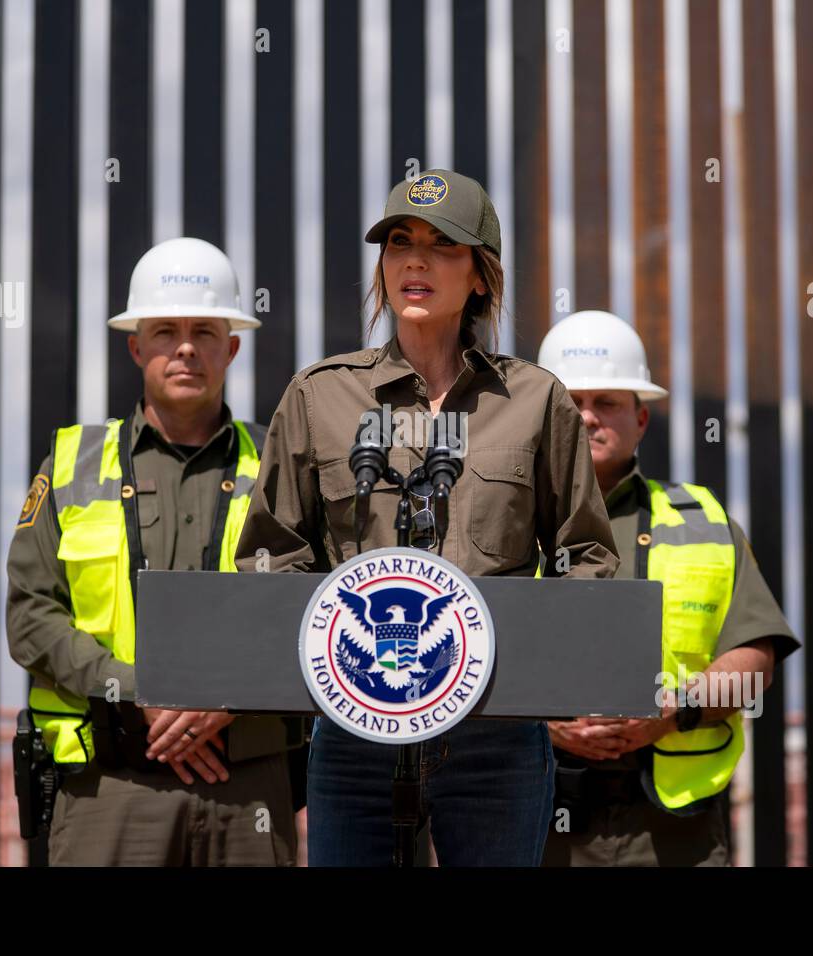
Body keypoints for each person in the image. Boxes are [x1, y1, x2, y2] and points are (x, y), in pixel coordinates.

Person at [235, 169, 619, 866]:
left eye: (443, 246)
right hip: (355, 732)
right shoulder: (320, 397)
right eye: (399, 242)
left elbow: (585, 557)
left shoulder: (535, 400)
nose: (415, 260)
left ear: (480, 275)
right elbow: (270, 557)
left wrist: (555, 676)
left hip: (496, 734)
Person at [6, 237, 300, 866]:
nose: (186, 346)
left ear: (233, 347)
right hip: (112, 787)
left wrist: (224, 699)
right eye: (165, 330)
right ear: (136, 346)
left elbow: (308, 611)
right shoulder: (72, 462)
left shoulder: (280, 464)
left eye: (204, 330)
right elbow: (31, 617)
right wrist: (136, 691)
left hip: (244, 785)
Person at [536, 310, 798, 866]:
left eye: (607, 402)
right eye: (571, 403)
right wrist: (545, 721)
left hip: (673, 831)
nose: (587, 418)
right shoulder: (501, 525)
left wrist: (670, 710)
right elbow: (463, 662)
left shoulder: (704, 522)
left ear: (641, 419)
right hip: (535, 823)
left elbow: (754, 663)